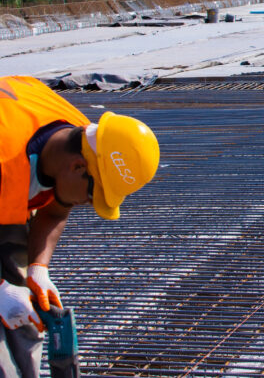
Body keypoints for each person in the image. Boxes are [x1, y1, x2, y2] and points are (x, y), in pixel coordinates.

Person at [0, 75, 159, 375]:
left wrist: (38, 269)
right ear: (77, 167)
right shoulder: (5, 160)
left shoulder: (80, 138)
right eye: (92, 194)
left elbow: (56, 210)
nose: (88, 203)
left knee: (21, 302)